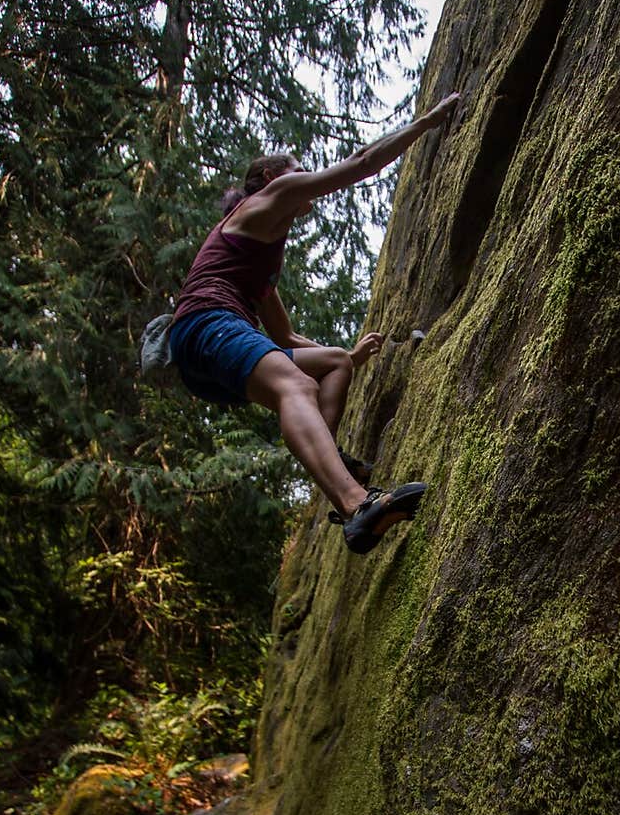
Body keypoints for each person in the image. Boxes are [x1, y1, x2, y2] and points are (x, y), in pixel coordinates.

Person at [168, 93, 460, 553]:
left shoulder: (259, 257)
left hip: (208, 351)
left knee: (334, 363)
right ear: (269, 178)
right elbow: (362, 162)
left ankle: (330, 464)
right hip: (205, 325)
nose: (304, 175)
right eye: (297, 167)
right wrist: (425, 123)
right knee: (296, 386)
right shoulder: (266, 200)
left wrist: (352, 356)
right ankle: (356, 505)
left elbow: (283, 336)